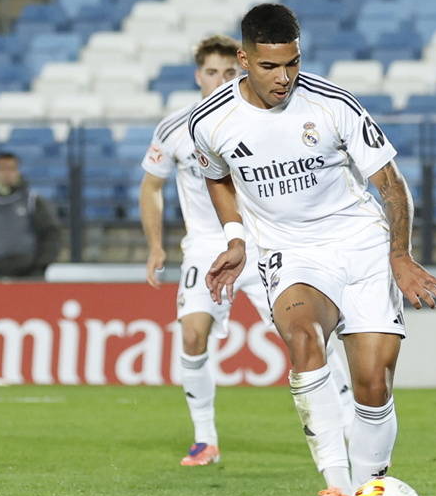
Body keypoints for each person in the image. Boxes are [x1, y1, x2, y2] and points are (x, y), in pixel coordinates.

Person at [193, 3, 436, 496]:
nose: (284, 78)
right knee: (303, 337)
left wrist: (399, 256)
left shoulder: (333, 105)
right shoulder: (210, 120)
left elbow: (392, 184)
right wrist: (237, 238)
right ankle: (337, 491)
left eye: (292, 63)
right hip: (290, 252)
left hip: (359, 245)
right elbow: (217, 178)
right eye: (269, 66)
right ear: (243, 59)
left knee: (372, 385)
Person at [141, 35, 354, 467]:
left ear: (240, 70)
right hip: (205, 247)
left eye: (228, 72)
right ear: (198, 75)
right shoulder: (177, 126)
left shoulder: (262, 119)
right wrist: (155, 246)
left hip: (262, 244)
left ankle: (349, 424)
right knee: (193, 333)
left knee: (309, 335)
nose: (220, 79)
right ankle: (205, 439)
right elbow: (151, 185)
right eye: (211, 72)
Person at [0, 152, 61, 279]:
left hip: (30, 275)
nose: (6, 174)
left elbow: (50, 232)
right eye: (2, 169)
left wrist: (41, 265)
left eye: (11, 169)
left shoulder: (32, 201)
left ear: (18, 172)